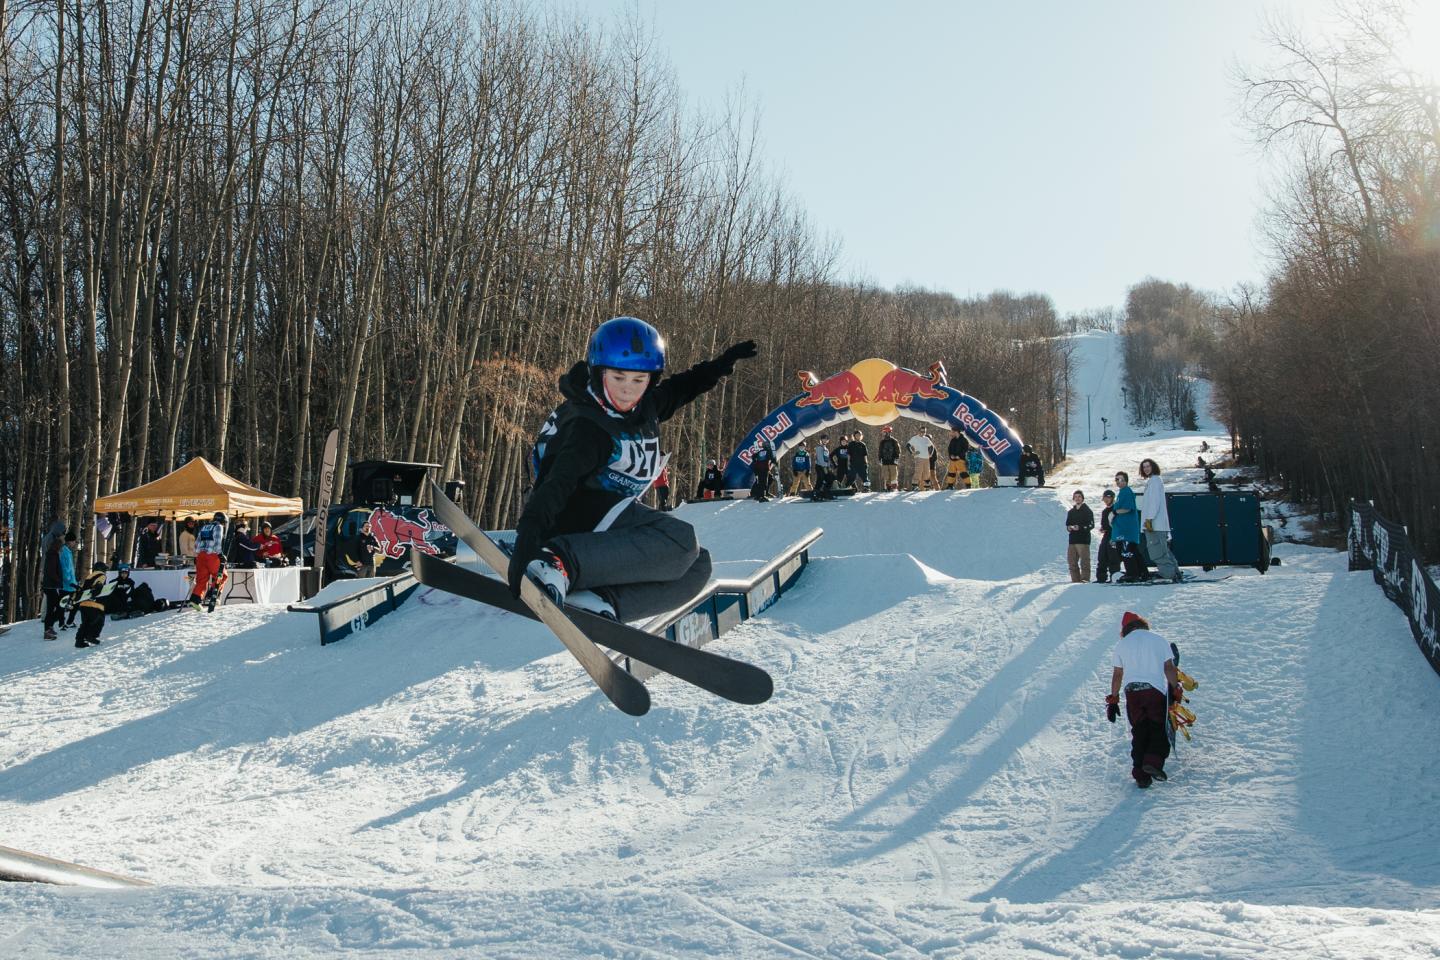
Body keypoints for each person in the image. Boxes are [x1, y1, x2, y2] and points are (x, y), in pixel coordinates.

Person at [507, 317, 757, 620]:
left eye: (638, 381)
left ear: (650, 380)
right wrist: (527, 539)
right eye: (619, 378)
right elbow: (554, 484)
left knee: (697, 566)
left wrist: (720, 365)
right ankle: (558, 563)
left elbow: (682, 387)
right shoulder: (587, 425)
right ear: (599, 373)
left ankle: (602, 602)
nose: (628, 391)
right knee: (681, 539)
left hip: (609, 521)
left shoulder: (645, 407)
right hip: (571, 517)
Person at [1106, 611, 1183, 789]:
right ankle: (1153, 762)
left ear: (1125, 629)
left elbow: (1117, 674)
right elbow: (1169, 668)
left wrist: (1114, 699)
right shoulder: (1158, 640)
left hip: (1132, 692)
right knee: (1158, 729)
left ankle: (1141, 775)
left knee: (1139, 731)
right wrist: (1175, 688)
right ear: (1143, 624)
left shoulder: (1121, 645)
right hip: (1153, 690)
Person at [1139, 457, 1181, 583]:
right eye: (1144, 467)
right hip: (1155, 524)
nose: (1146, 469)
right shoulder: (1153, 481)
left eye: (1148, 466)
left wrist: (1149, 519)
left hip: (1154, 524)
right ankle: (1174, 573)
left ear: (1153, 467)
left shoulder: (1155, 481)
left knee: (1157, 551)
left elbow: (1154, 503)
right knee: (1164, 550)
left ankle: (1167, 575)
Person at [1111, 471, 1148, 582]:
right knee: (1133, 551)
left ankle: (1132, 573)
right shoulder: (1121, 492)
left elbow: (1127, 508)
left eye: (1121, 479)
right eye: (1117, 479)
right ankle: (1142, 572)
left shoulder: (1126, 491)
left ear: (1126, 481)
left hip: (1126, 530)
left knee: (1126, 551)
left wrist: (1115, 513)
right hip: (1123, 529)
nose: (1118, 481)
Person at [188, 512, 228, 610]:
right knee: (221, 575)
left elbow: (197, 544)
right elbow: (217, 543)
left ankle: (195, 600)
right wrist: (220, 555)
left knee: (201, 579)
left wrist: (198, 554)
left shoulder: (204, 527)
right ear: (222, 521)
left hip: (200, 556)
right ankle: (212, 595)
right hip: (212, 556)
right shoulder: (218, 527)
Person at [40, 521, 72, 641]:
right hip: (51, 585)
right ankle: (48, 629)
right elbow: (52, 571)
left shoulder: (53, 552)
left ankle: (49, 627)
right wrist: (60, 581)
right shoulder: (52, 554)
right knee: (56, 607)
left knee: (54, 607)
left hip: (51, 585)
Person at [72, 561, 111, 648]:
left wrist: (74, 598)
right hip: (95, 605)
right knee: (98, 621)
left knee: (85, 623)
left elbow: (82, 589)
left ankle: (79, 641)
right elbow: (99, 584)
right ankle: (91, 636)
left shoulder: (88, 577)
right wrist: (95, 593)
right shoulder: (101, 575)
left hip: (83, 604)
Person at [1065, 490, 1094, 583]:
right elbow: (1068, 524)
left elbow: (1091, 525)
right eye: (1076, 497)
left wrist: (1080, 527)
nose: (1077, 498)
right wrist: (1069, 528)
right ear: (1073, 499)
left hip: (1083, 540)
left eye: (1079, 496)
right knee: (1072, 562)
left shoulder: (1087, 511)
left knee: (1084, 561)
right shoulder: (1071, 512)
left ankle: (1085, 579)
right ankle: (1075, 580)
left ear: (1082, 498)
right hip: (1072, 540)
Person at [1095, 489, 1119, 583]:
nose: (1106, 499)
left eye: (1108, 497)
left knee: (1113, 557)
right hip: (1106, 535)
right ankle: (1101, 578)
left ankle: (1114, 577)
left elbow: (1116, 524)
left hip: (1114, 535)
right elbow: (1104, 524)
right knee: (1102, 556)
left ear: (1112, 498)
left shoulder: (1115, 510)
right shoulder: (1105, 511)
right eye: (1105, 497)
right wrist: (1103, 528)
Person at [750, 436, 776, 502]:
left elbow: (753, 456)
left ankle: (761, 494)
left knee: (770, 478)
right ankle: (762, 496)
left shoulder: (760, 451)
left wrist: (755, 461)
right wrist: (774, 461)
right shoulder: (768, 451)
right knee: (763, 482)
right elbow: (772, 459)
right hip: (764, 469)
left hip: (758, 469)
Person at [877, 425, 901, 491]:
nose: (884, 434)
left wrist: (897, 458)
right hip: (884, 461)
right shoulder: (882, 442)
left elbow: (898, 450)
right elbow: (880, 451)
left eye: (885, 432)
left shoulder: (894, 441)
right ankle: (888, 487)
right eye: (883, 432)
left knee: (893, 474)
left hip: (892, 461)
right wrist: (880, 459)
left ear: (889, 432)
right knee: (886, 475)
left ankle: (894, 487)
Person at [812, 434, 835, 501]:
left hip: (825, 467)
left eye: (826, 439)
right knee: (820, 479)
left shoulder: (826, 449)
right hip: (819, 466)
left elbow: (827, 459)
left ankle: (826, 492)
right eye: (824, 439)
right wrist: (824, 467)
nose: (825, 440)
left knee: (831, 478)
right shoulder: (819, 448)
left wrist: (829, 466)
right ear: (821, 440)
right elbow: (820, 459)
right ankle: (815, 494)